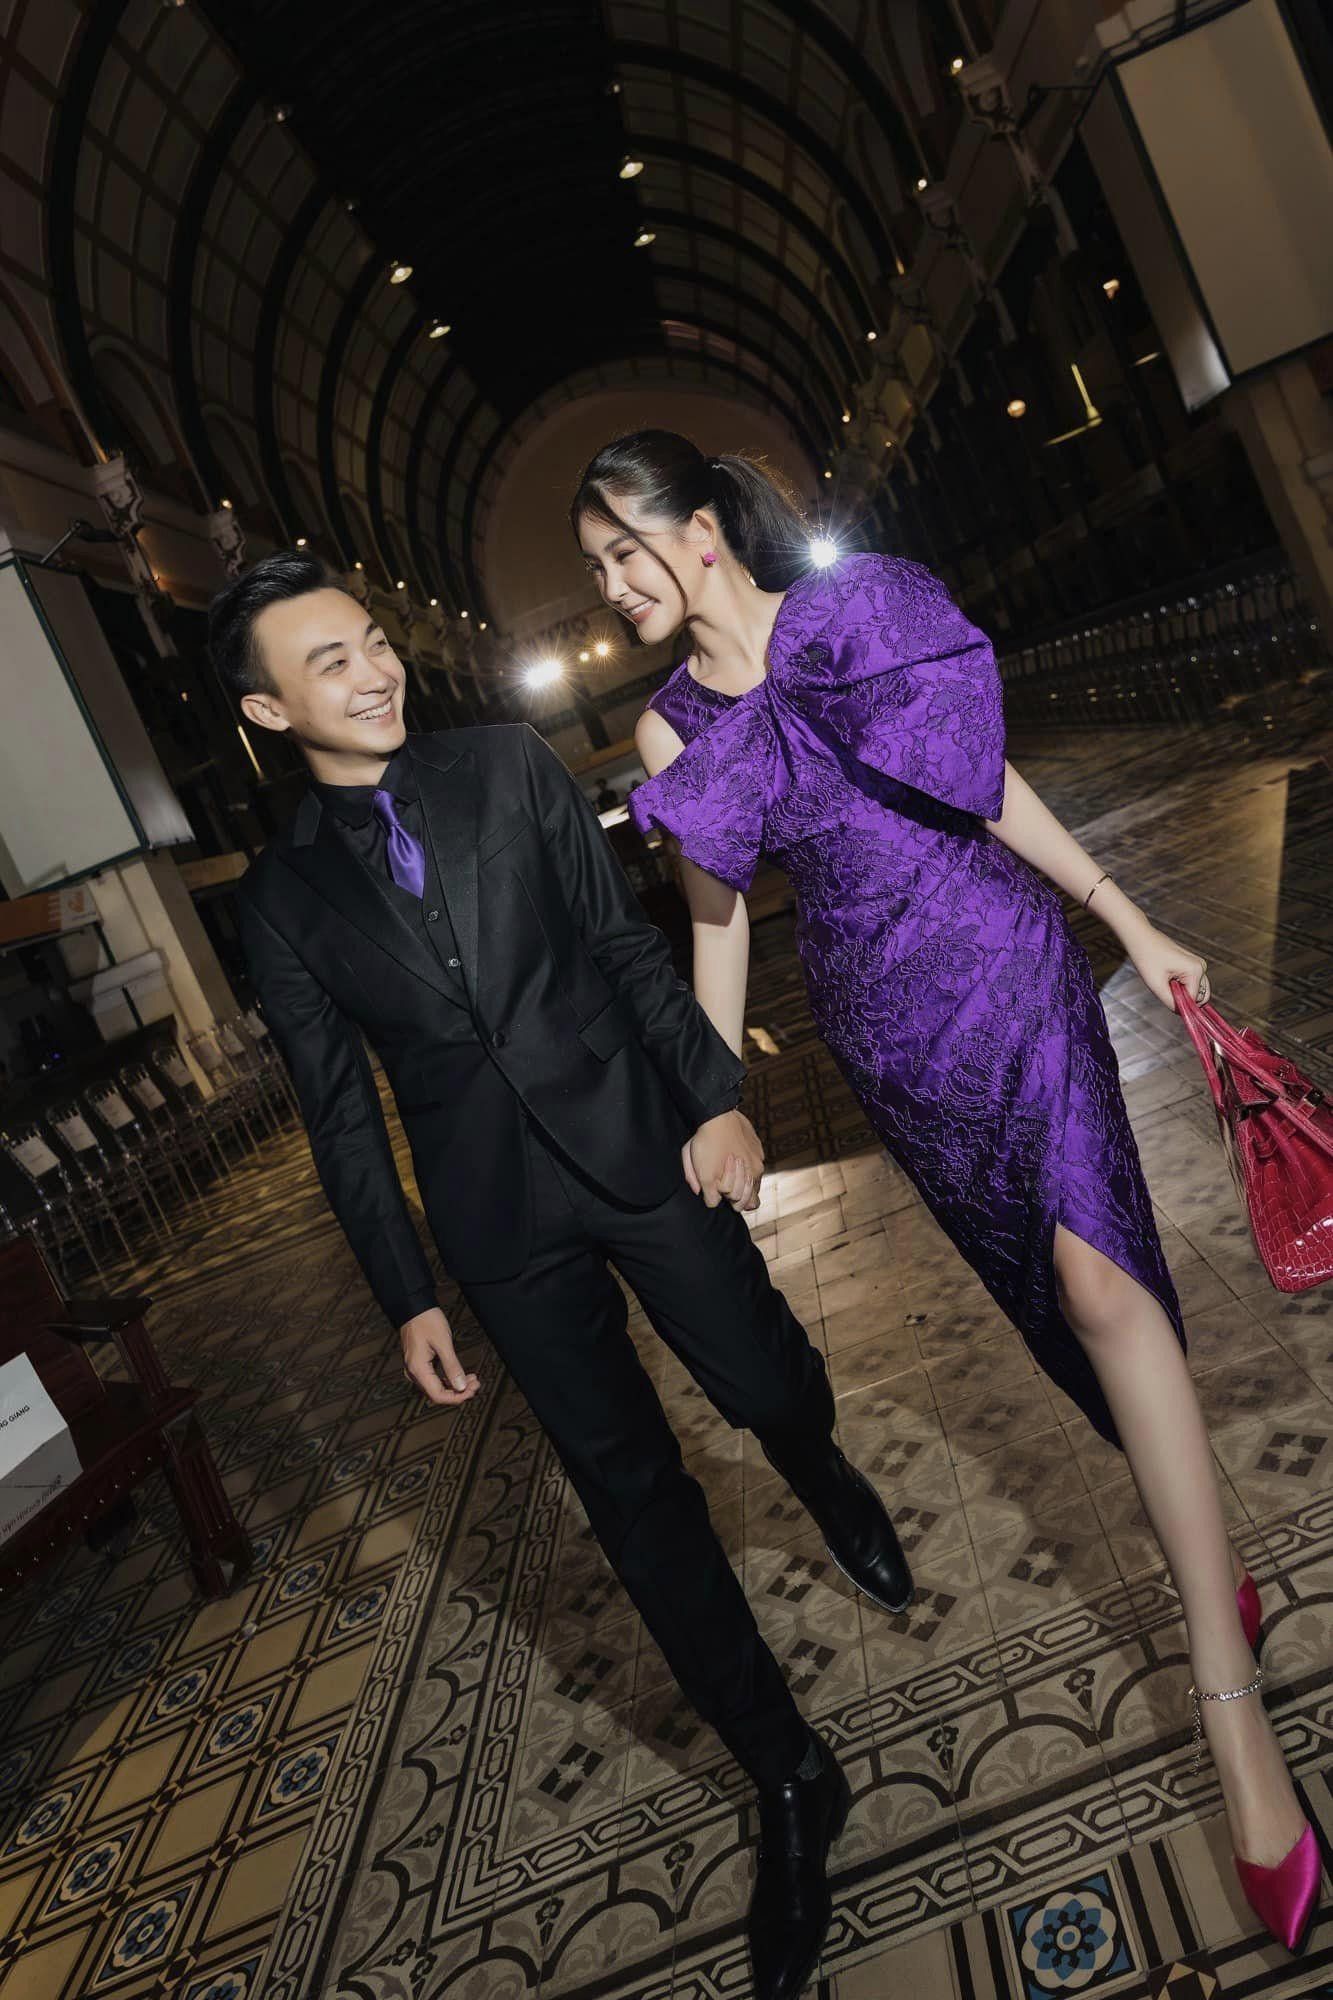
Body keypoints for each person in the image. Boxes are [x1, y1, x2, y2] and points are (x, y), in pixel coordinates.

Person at [570, 430, 1321, 1957]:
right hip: (887, 1034)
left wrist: (1127, 920)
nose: (612, 586)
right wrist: (715, 1099)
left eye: (622, 551)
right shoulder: (665, 728)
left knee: (1102, 1283)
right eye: (594, 568)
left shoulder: (859, 611)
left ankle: (1226, 1700)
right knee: (1056, 1311)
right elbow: (716, 922)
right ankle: (1213, 1566)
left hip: (1002, 959)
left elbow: (982, 789)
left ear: (700, 530)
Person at [208, 550, 914, 2000]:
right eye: (330, 662)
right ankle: (787, 1772)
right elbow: (341, 1116)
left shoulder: (505, 765)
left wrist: (713, 1095)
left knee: (763, 1377)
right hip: (497, 1225)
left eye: (372, 641)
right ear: (268, 713)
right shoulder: (277, 900)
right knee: (631, 1497)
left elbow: (618, 942)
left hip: (639, 1138)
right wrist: (408, 1291)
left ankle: (819, 1466)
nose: (374, 671)